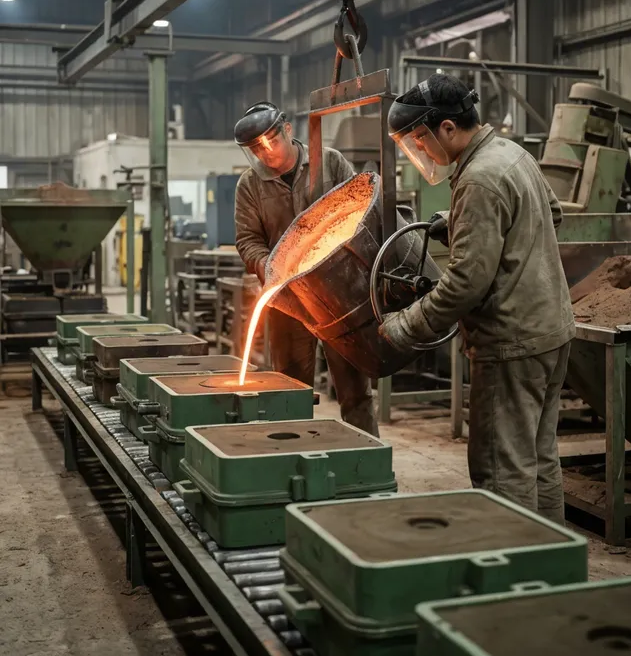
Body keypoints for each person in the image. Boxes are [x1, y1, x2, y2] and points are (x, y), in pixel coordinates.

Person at [380, 74, 574, 524]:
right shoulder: (510, 153)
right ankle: (551, 570)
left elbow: (466, 282)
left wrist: (405, 326)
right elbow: (554, 213)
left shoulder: (479, 180)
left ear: (448, 128)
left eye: (422, 141)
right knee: (539, 460)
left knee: (501, 471)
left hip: (512, 343)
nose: (423, 151)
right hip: (551, 330)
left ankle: (511, 578)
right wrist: (459, 221)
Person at [233, 101, 378, 436]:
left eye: (270, 142)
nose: (265, 153)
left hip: (340, 298)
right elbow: (247, 239)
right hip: (289, 301)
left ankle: (365, 456)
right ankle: (294, 455)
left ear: (288, 130)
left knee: (355, 389)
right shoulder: (250, 185)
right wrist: (269, 266)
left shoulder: (329, 162)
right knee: (289, 389)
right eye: (256, 149)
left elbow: (362, 211)